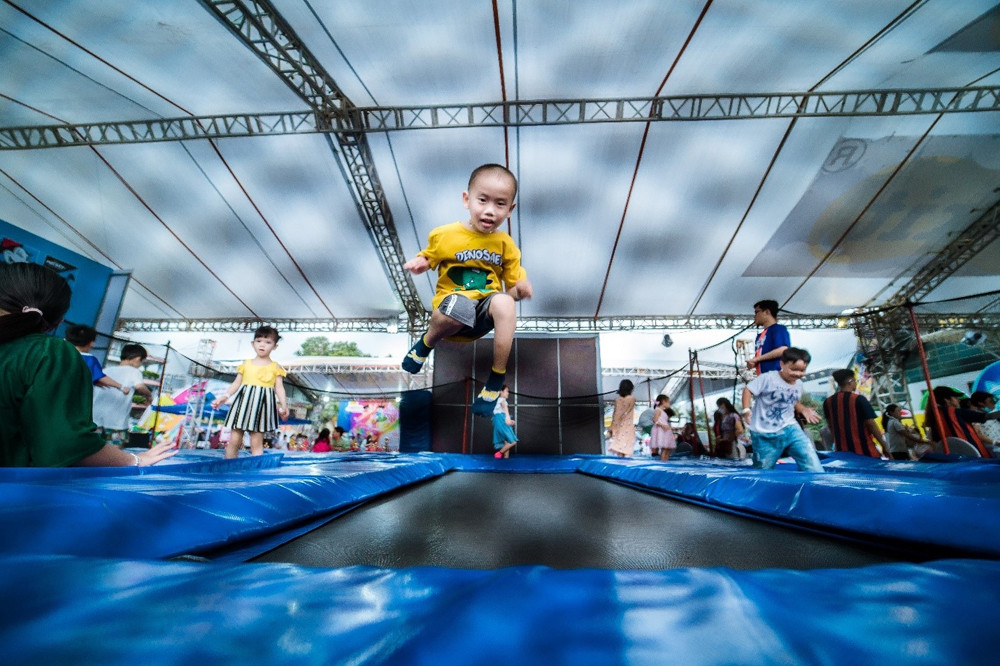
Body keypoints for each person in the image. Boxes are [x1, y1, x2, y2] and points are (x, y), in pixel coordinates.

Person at [0, 262, 176, 467]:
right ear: (58, 321)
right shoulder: (50, 353)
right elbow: (66, 443)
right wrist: (135, 460)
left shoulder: (91, 364)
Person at [400, 164, 533, 416]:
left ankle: (496, 376)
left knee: (504, 302)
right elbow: (429, 256)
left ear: (510, 209)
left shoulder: (505, 244)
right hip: (449, 315)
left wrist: (521, 290)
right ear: (466, 199)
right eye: (482, 200)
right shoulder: (444, 235)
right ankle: (426, 343)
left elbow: (512, 290)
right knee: (459, 305)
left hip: (481, 315)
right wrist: (422, 263)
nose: (490, 210)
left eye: (500, 204)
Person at [211, 325, 289, 458]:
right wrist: (224, 397)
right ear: (253, 344)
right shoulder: (246, 364)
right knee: (234, 440)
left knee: (256, 442)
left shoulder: (275, 367)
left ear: (275, 346)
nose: (262, 345)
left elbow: (279, 387)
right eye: (259, 341)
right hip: (242, 403)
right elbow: (236, 383)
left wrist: (284, 405)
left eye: (268, 342)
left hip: (262, 406)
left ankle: (256, 470)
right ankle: (229, 466)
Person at [741, 347, 824, 472]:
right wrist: (746, 410)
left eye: (802, 370)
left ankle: (815, 479)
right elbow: (748, 389)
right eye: (793, 369)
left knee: (810, 459)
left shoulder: (798, 384)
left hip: (789, 428)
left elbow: (794, 402)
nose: (797, 374)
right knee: (764, 469)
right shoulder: (768, 378)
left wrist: (803, 409)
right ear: (782, 364)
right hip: (764, 433)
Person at [92, 343, 153, 444]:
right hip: (116, 423)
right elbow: (140, 387)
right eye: (142, 362)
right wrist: (149, 395)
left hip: (95, 421)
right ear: (138, 358)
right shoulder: (134, 371)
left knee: (93, 449)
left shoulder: (105, 371)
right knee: (114, 451)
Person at [822, 369, 888, 459]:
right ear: (850, 382)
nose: (856, 383)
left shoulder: (827, 402)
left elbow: (831, 426)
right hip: (865, 451)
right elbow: (871, 424)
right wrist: (884, 445)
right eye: (855, 381)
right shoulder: (859, 399)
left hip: (842, 453)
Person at [927, 386, 999, 458]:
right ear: (947, 400)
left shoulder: (934, 417)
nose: (959, 400)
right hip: (974, 454)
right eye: (955, 397)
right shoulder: (956, 412)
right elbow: (986, 416)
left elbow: (936, 441)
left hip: (954, 457)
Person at [65, 324, 131, 394]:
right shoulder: (89, 359)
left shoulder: (61, 354)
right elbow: (101, 378)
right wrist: (121, 387)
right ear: (91, 343)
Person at [746, 299, 791, 375]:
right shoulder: (760, 336)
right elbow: (762, 357)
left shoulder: (778, 329)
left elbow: (783, 350)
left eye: (757, 312)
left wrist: (757, 359)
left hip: (776, 375)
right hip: (763, 376)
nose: (755, 316)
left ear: (767, 312)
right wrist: (753, 363)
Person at [608, 379, 636, 457]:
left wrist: (612, 427)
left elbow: (615, 414)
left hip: (618, 426)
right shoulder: (632, 399)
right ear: (631, 388)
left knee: (619, 449)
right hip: (627, 425)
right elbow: (627, 411)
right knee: (627, 448)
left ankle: (620, 462)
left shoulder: (617, 400)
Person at [492, 385, 518, 459]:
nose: (508, 393)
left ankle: (506, 458)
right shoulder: (502, 400)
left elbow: (503, 411)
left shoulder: (499, 400)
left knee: (506, 441)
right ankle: (499, 453)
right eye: (506, 391)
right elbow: (505, 408)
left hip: (499, 420)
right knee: (513, 441)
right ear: (501, 391)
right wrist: (507, 418)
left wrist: (508, 419)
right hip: (501, 420)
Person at [648, 394, 676, 461]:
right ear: (663, 401)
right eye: (668, 402)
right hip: (661, 430)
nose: (669, 404)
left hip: (665, 430)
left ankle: (665, 461)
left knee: (667, 448)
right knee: (665, 448)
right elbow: (655, 420)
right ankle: (663, 461)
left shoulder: (661, 411)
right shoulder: (658, 410)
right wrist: (663, 425)